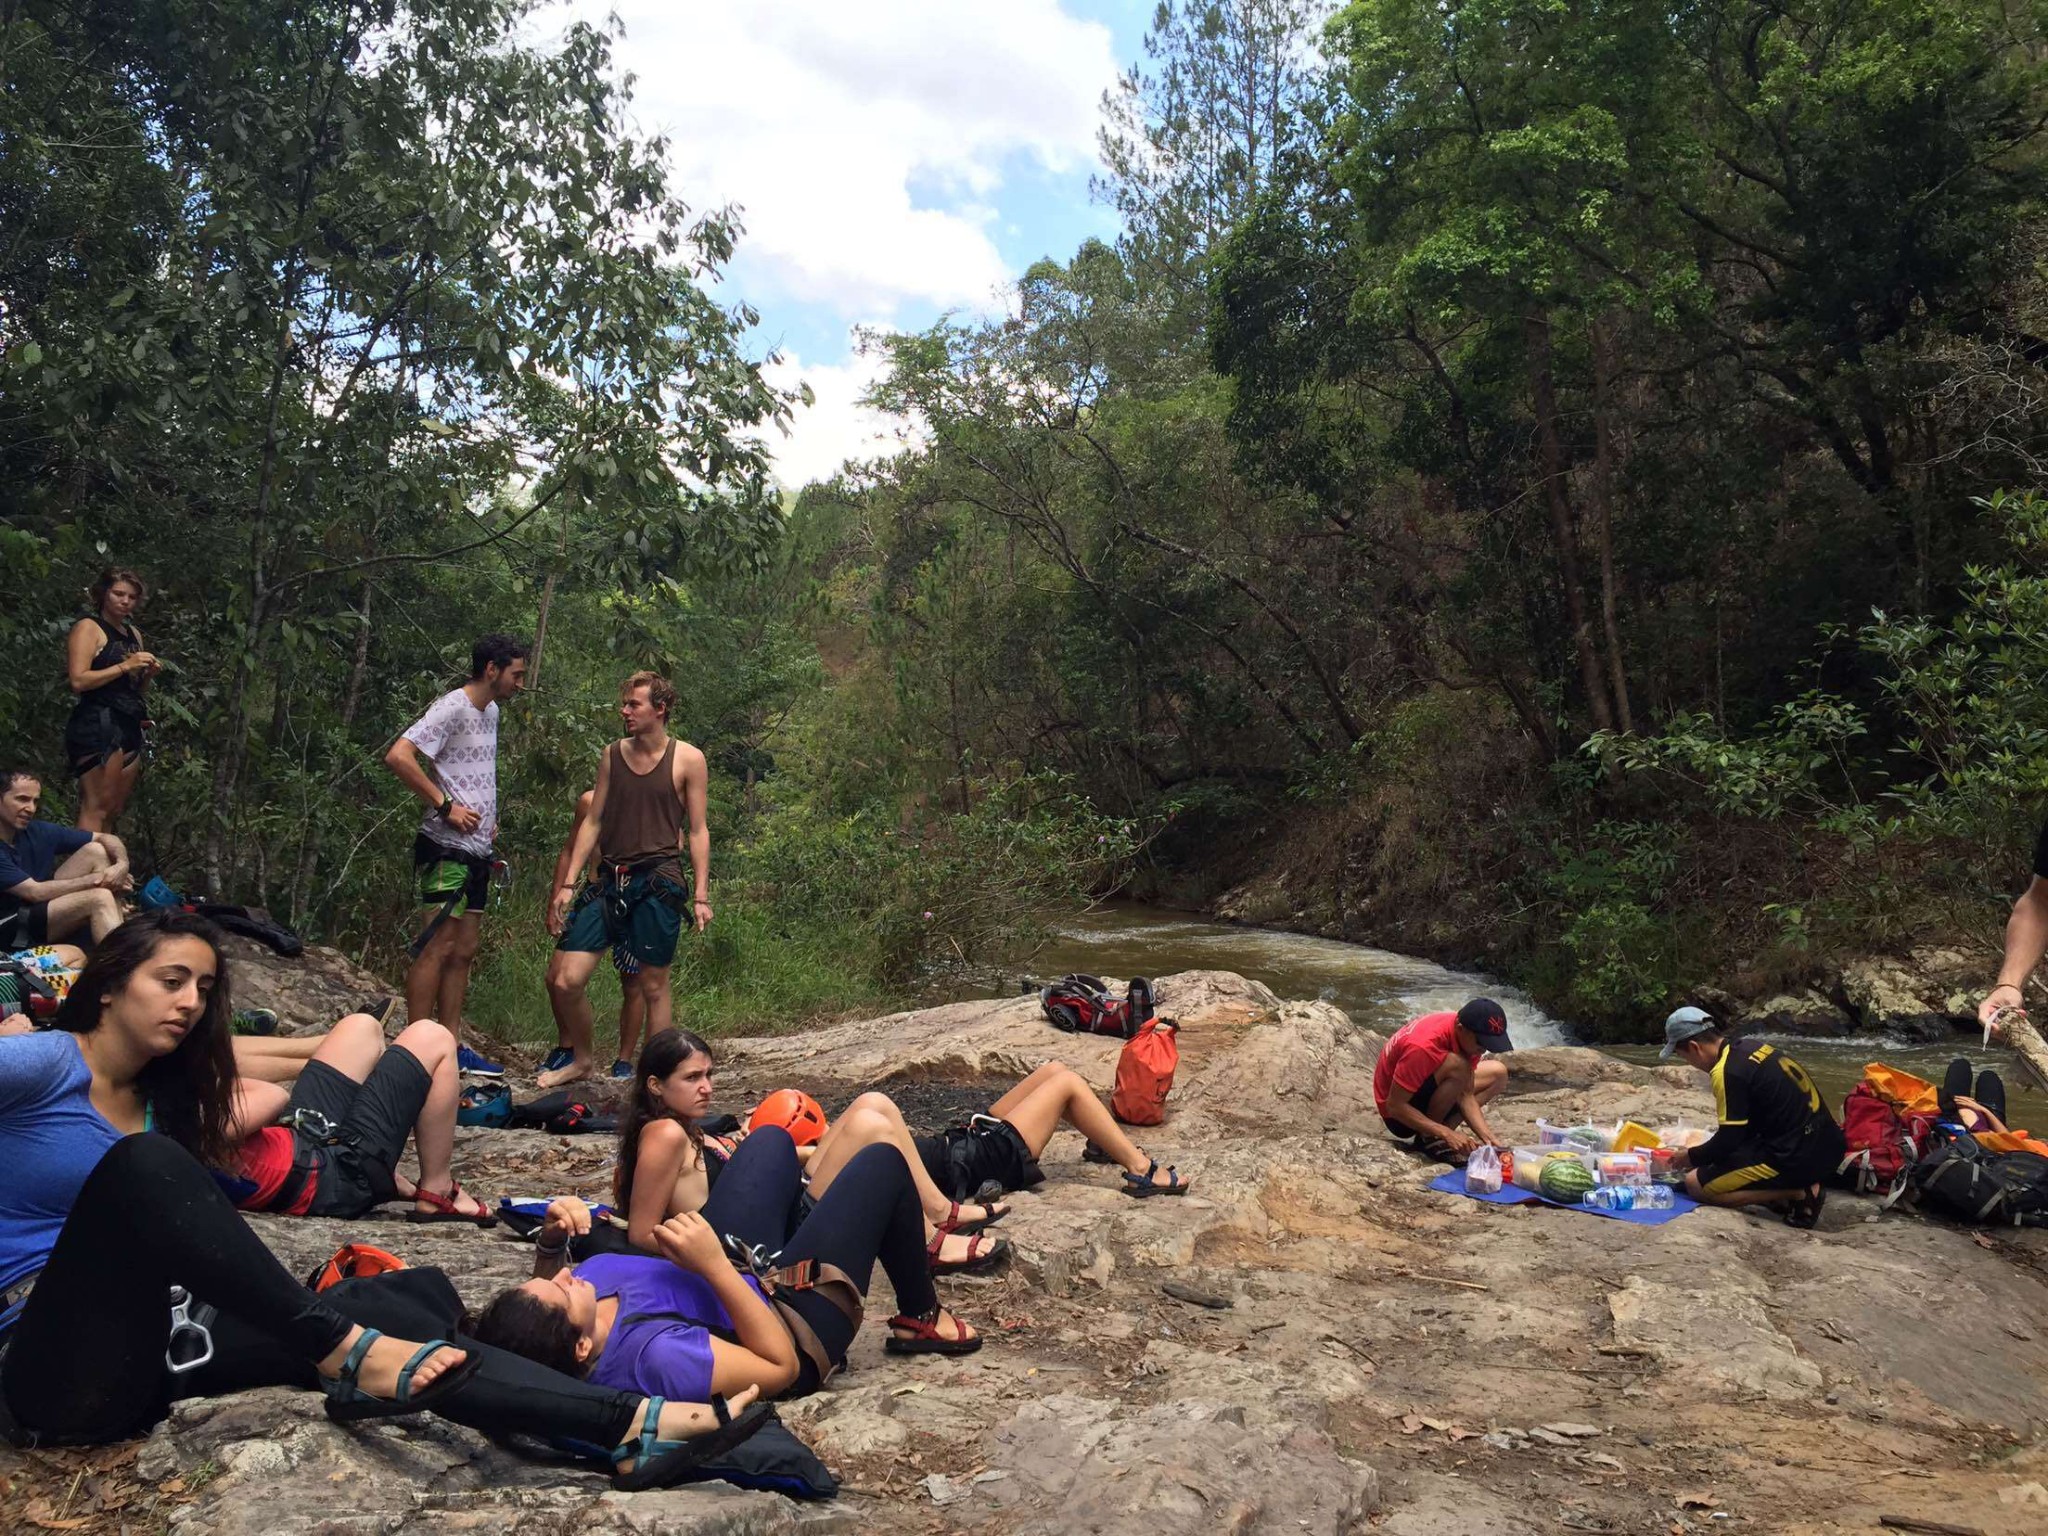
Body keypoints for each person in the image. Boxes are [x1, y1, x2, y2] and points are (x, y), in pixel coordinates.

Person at [0, 911, 760, 1483]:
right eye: (171, 982)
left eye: (203, 988)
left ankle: (623, 1423)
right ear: (106, 986)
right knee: (145, 1167)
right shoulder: (43, 1066)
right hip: (48, 1363)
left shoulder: (167, 1099)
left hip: (163, 1340)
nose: (192, 1002)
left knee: (412, 1299)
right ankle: (345, 1352)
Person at [471, 1127, 981, 1402]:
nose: (566, 1274)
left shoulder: (564, 1323)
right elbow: (778, 1368)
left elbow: (540, 1329)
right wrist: (713, 1265)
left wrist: (550, 1245)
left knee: (770, 1142)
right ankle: (922, 1318)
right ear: (582, 1346)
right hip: (787, 1323)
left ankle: (805, 1234)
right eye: (561, 1288)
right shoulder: (657, 1358)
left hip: (729, 1268)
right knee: (882, 1162)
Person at [613, 1030, 1007, 1272]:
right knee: (872, 1128)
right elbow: (642, 1233)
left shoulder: (684, 1126)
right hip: (762, 1236)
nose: (707, 1087)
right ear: (654, 1085)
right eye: (692, 1078)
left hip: (778, 1206)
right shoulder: (664, 1134)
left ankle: (938, 1214)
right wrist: (707, 1257)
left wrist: (803, 1151)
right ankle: (930, 1241)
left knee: (874, 1104)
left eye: (709, 1075)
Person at [544, 672, 710, 1090]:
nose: (625, 711)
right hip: (610, 881)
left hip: (658, 880)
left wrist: (703, 895)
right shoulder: (612, 755)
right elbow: (593, 819)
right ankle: (583, 1061)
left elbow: (697, 830)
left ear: (660, 709)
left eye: (633, 704)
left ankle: (656, 1082)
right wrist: (568, 883)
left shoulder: (688, 759)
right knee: (566, 980)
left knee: (653, 985)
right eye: (625, 704)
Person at [384, 635, 528, 1069]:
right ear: (492, 670)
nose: (520, 683)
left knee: (464, 948)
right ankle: (412, 1050)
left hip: (479, 848)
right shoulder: (451, 707)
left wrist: (487, 814)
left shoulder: (493, 712)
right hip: (445, 847)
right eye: (516, 674)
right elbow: (399, 756)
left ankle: (449, 1045)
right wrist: (445, 806)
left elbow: (474, 771)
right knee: (437, 945)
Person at [224, 1010, 495, 1223]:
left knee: (360, 1027)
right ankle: (438, 1190)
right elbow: (272, 1097)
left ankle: (384, 1165)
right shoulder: (185, 1122)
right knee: (433, 1037)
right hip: (333, 1177)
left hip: (298, 1138)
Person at [1659, 1006, 1844, 1227]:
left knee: (1695, 1184)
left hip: (1797, 1156)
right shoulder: (1750, 1046)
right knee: (1712, 1162)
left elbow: (1728, 1141)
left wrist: (1689, 1156)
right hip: (1828, 1145)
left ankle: (1798, 1193)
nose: (1690, 1065)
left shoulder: (1726, 1072)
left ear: (1694, 1047)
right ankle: (1787, 1188)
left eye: (1683, 1057)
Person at [541, 790, 648, 1080]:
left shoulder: (654, 798)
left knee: (633, 981)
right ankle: (568, 1046)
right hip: (595, 893)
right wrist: (557, 896)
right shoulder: (591, 801)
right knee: (557, 976)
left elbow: (673, 842)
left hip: (635, 898)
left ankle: (624, 1060)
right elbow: (569, 850)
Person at [63, 568, 159, 834]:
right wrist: (125, 666)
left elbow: (134, 689)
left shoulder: (133, 635)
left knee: (114, 809)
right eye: (118, 593)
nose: (125, 601)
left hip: (129, 722)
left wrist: (147, 675)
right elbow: (78, 681)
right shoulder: (88, 627)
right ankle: (86, 871)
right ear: (104, 593)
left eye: (132, 597)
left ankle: (105, 871)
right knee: (96, 806)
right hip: (98, 721)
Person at [0, 769, 130, 949]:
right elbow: (34, 892)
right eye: (22, 799)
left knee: (97, 851)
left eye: (35, 801)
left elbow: (106, 838)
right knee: (99, 897)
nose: (31, 808)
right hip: (10, 926)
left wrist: (121, 866)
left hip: (38, 911)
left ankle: (117, 928)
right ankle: (122, 964)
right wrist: (102, 879)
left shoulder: (39, 831)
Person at [1372, 997, 1513, 1159]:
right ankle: (1429, 1137)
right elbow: (1394, 1106)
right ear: (1461, 1029)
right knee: (1458, 1066)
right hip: (1398, 1118)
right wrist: (1445, 1133)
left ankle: (1440, 1133)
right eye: (1481, 1043)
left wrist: (1490, 1140)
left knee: (1498, 1073)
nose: (1483, 1050)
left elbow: (1465, 1094)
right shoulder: (1422, 1047)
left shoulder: (1466, 1036)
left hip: (1422, 1087)